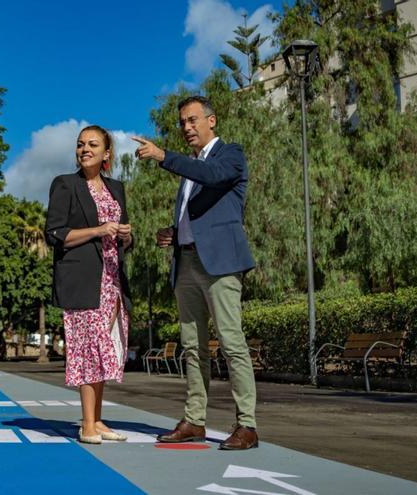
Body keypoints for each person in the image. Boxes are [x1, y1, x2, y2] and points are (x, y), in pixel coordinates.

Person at [132, 95, 258, 450]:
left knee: (232, 344)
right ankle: (194, 421)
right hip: (185, 261)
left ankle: (247, 425)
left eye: (192, 120)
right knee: (192, 347)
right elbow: (201, 216)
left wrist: (163, 156)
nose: (186, 128)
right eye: (182, 123)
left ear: (211, 121)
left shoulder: (229, 155)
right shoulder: (190, 167)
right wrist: (176, 234)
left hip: (220, 265)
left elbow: (214, 177)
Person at [45, 125, 133, 444]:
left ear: (107, 153)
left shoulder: (117, 188)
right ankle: (87, 424)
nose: (85, 149)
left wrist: (126, 235)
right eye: (81, 144)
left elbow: (123, 238)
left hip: (112, 281)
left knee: (104, 350)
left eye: (93, 144)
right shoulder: (65, 185)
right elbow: (54, 233)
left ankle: (97, 419)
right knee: (88, 349)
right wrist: (98, 230)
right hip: (82, 280)